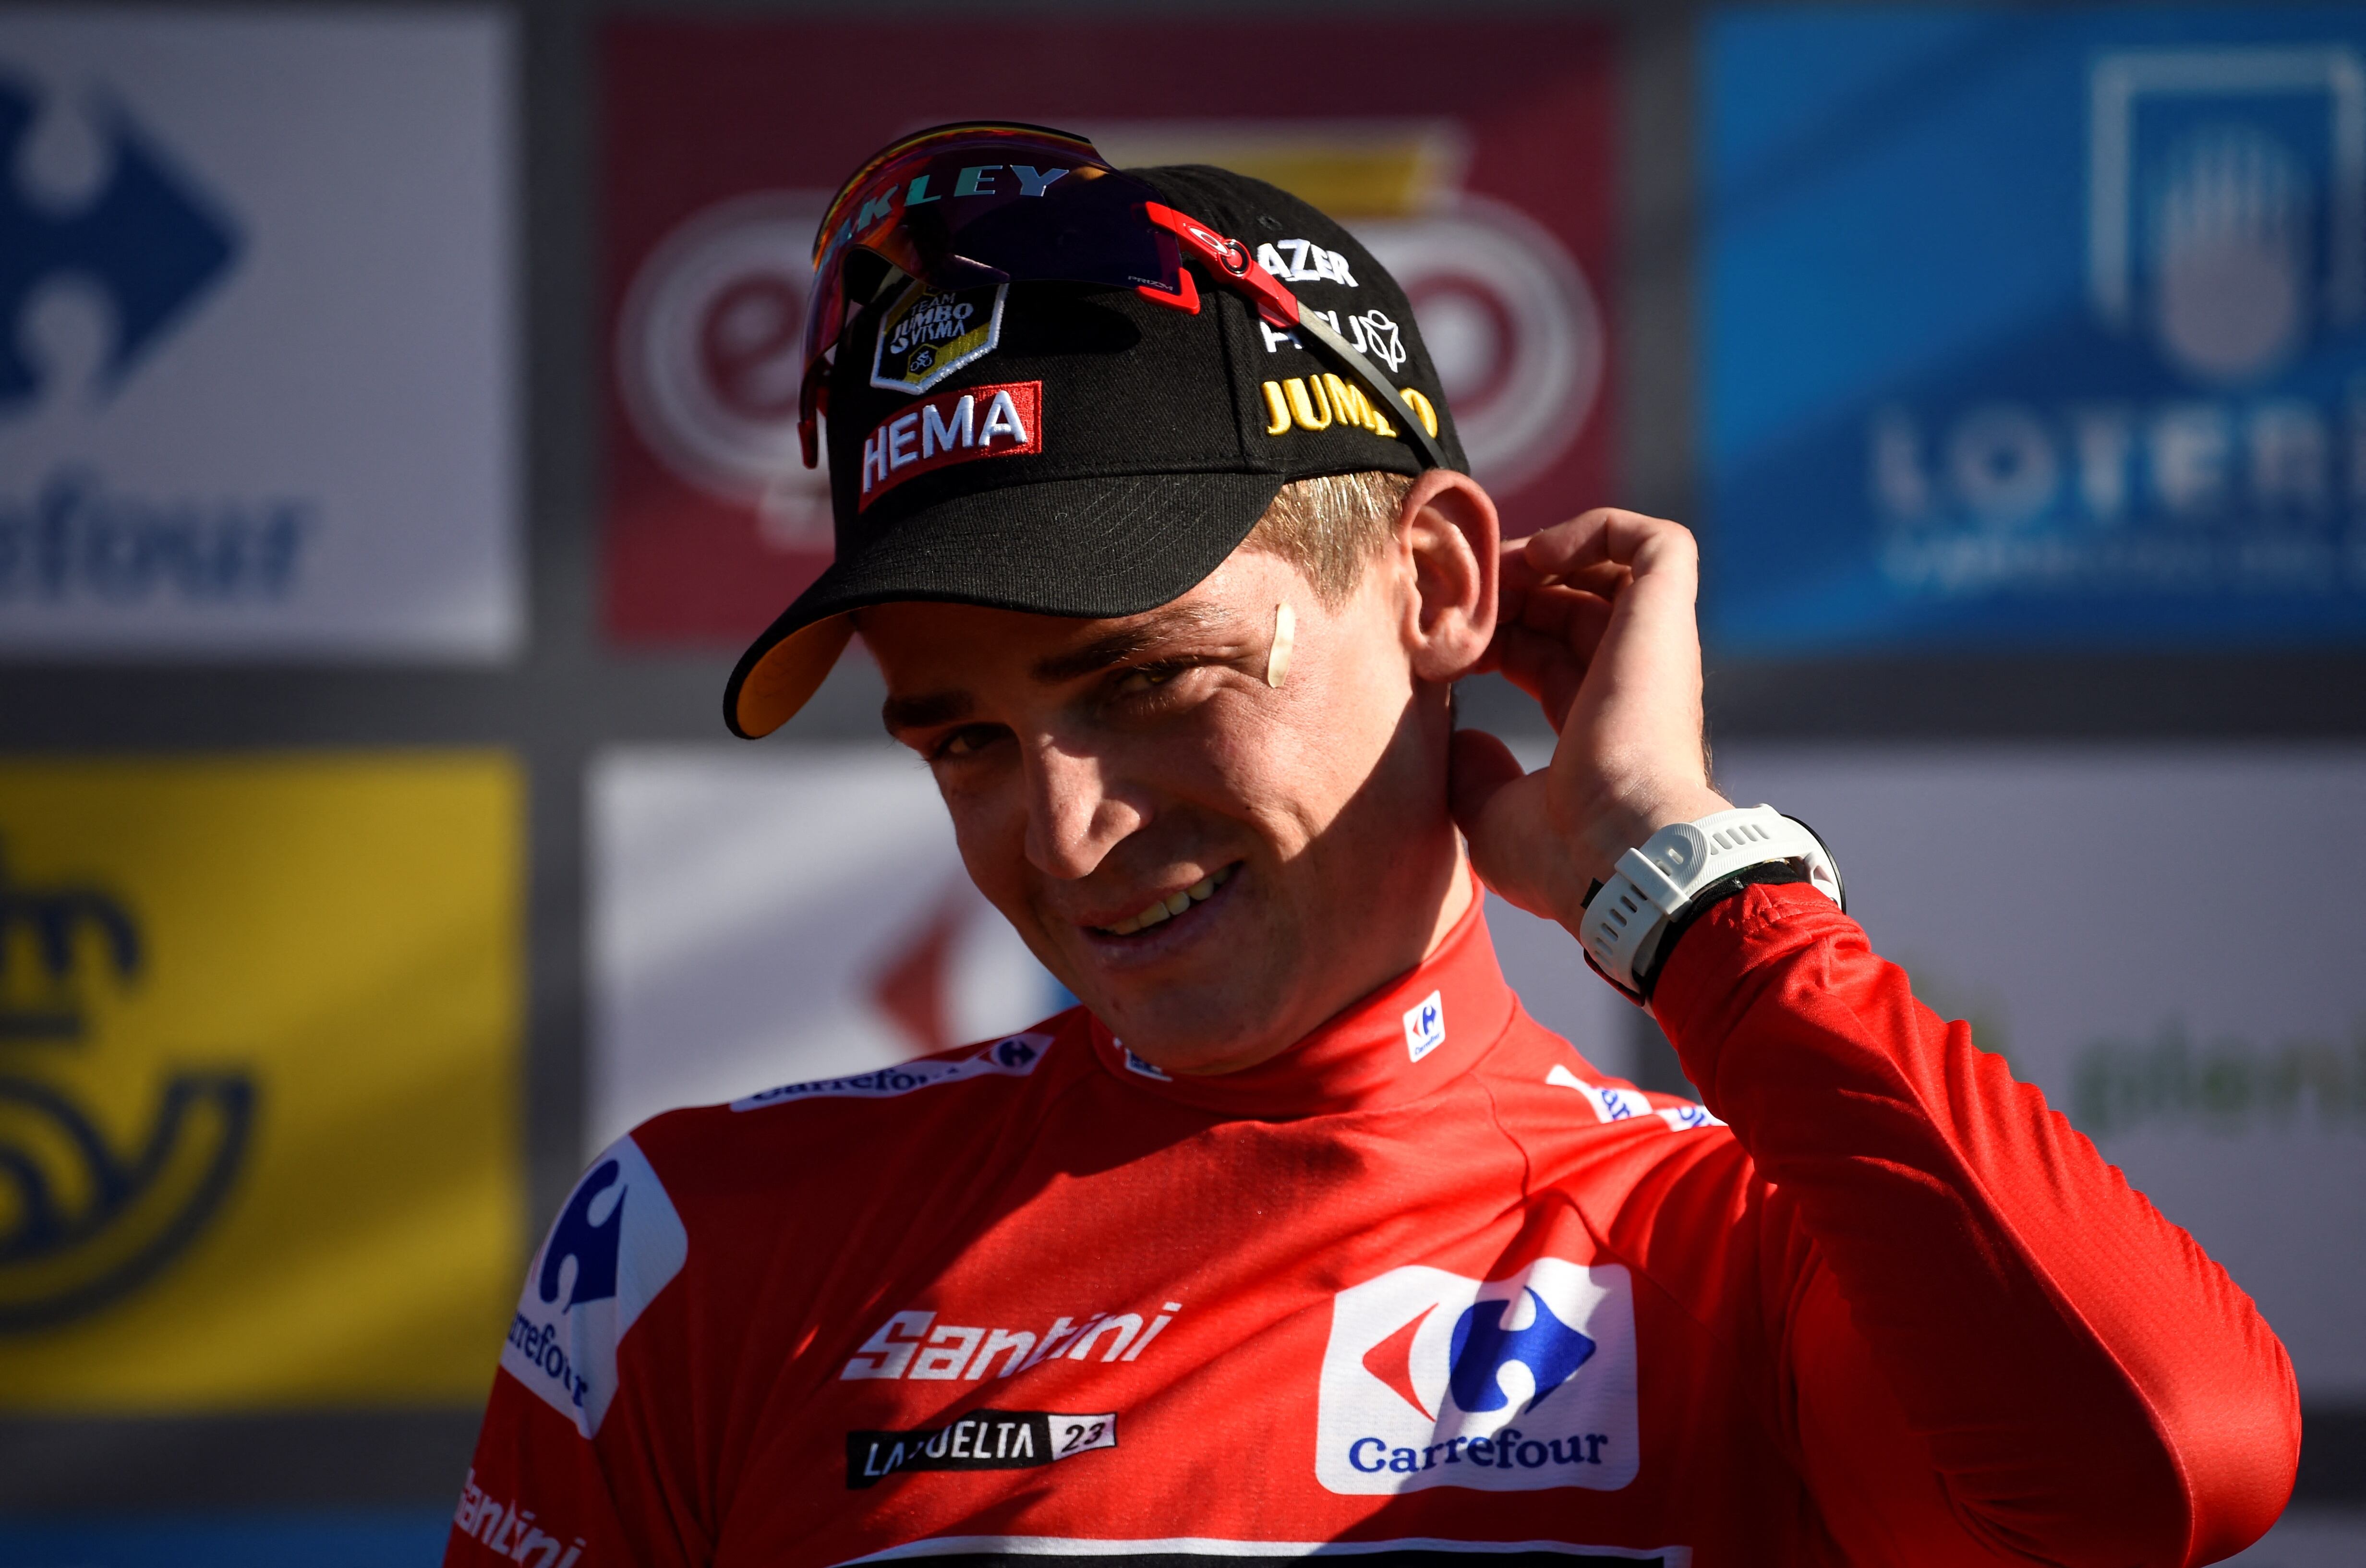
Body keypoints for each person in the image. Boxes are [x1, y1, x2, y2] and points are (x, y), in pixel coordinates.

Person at [447, 125, 2297, 1568]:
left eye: (1151, 678)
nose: (1067, 834)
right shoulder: (710, 1247)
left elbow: (2169, 1460)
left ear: (1434, 584)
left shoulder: (1716, 1253)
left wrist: (1691, 881)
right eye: (969, 741)